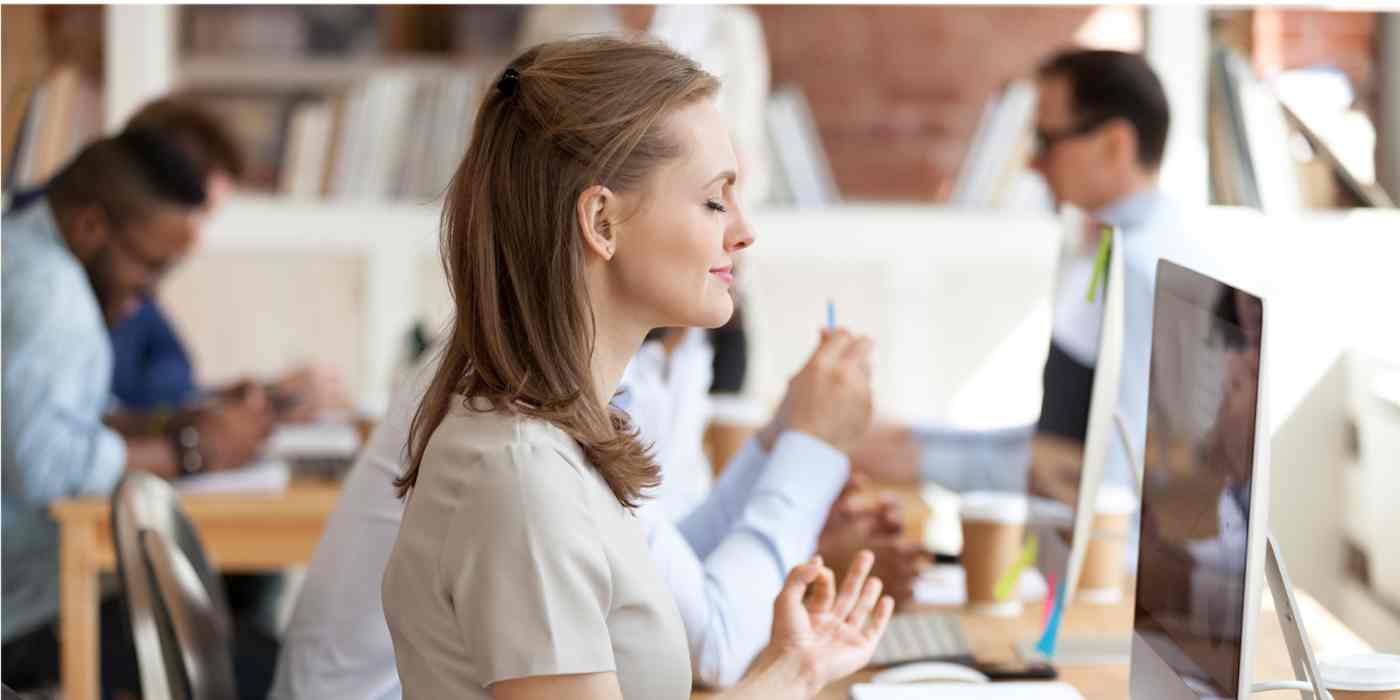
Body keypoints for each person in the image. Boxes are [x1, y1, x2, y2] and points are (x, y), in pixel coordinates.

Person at [379, 37, 892, 699]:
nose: (743, 231)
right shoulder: (519, 476)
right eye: (715, 199)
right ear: (601, 220)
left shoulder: (560, 436)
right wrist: (790, 676)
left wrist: (799, 667)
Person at [1, 129, 272, 695]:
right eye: (149, 265)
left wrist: (180, 422)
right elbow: (48, 466)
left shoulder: (23, 252)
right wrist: (193, 452)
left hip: (42, 600)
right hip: (28, 620)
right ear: (92, 225)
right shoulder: (52, 291)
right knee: (278, 673)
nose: (149, 293)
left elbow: (69, 417)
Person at [854, 50, 1180, 512]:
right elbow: (1059, 442)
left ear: (1114, 146)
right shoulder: (1100, 246)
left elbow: (1109, 478)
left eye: (1047, 141)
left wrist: (919, 458)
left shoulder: (1141, 267)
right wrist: (911, 440)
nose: (1031, 164)